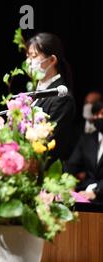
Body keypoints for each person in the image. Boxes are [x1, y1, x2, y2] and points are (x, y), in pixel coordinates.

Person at [26, 33, 76, 163]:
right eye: (28, 56)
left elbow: (49, 143)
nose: (29, 61)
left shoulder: (62, 98)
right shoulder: (33, 92)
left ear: (52, 60)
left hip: (47, 170)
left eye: (34, 56)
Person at [65, 101, 103, 203]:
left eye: (102, 114)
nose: (98, 117)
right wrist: (68, 184)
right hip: (85, 192)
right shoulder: (87, 140)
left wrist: (97, 191)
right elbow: (71, 166)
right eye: (96, 114)